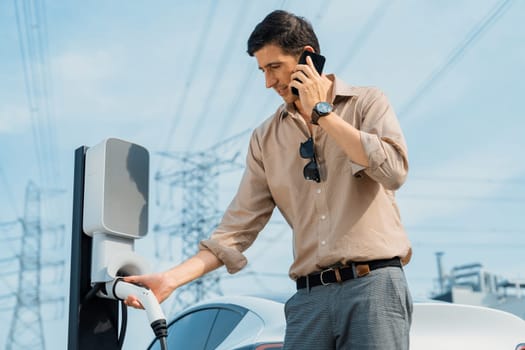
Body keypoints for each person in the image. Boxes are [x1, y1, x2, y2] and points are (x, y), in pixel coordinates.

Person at [125, 9, 413, 349]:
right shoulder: (265, 139)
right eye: (262, 71)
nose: (268, 82)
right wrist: (170, 280)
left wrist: (322, 113)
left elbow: (393, 170)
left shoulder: (367, 103)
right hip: (309, 300)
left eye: (274, 67)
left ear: (307, 58)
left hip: (373, 290)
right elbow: (236, 229)